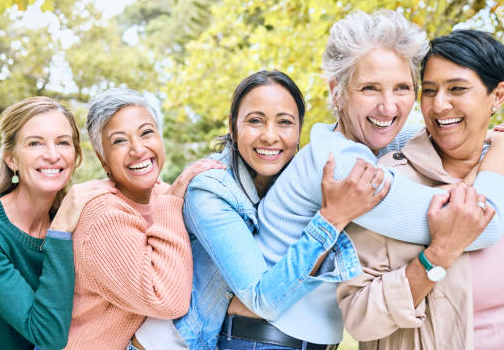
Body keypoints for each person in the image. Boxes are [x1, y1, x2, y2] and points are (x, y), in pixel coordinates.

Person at [238, 10, 504, 349]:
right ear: (337, 92)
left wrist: (487, 132)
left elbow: (445, 135)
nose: (388, 107)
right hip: (263, 339)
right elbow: (479, 223)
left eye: (402, 88)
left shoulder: (369, 140)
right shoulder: (344, 167)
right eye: (370, 88)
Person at [337, 29, 504, 350]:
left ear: (497, 95)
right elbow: (359, 318)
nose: (439, 105)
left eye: (457, 89)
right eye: (429, 91)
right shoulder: (386, 184)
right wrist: (437, 256)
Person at [138, 70, 390, 350]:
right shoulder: (210, 191)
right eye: (255, 121)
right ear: (233, 128)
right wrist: (332, 219)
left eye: (284, 122)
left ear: (298, 131)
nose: (270, 136)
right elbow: (263, 299)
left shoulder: (291, 185)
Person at [0, 97, 116, 350]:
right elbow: (47, 335)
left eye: (62, 142)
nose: (52, 155)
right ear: (11, 159)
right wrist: (59, 233)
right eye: (35, 143)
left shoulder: (75, 223)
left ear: (75, 155)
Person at [63, 88, 224, 350]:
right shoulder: (103, 215)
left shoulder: (161, 193)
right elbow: (168, 302)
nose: (138, 149)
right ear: (103, 159)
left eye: (146, 133)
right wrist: (173, 201)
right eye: (119, 141)